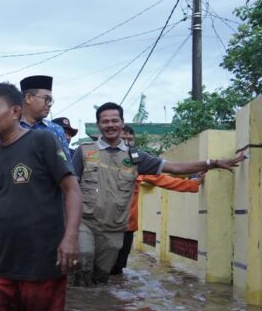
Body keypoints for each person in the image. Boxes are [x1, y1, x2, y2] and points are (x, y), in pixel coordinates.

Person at [72, 102, 244, 286]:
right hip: (86, 223)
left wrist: (213, 163)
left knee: (102, 277)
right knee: (83, 262)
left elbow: (175, 168)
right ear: (98, 125)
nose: (110, 125)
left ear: (122, 123)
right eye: (105, 121)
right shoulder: (84, 151)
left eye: (115, 120)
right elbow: (70, 188)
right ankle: (81, 310)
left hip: (114, 228)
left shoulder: (136, 157)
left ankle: (95, 310)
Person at [0, 82, 81, 311]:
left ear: (15, 111)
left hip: (41, 263)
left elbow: (72, 189)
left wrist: (71, 238)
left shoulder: (43, 141)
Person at [110, 126, 204, 275]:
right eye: (123, 139)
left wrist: (194, 183)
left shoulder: (139, 165)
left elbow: (166, 180)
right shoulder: (103, 161)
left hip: (126, 227)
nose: (127, 142)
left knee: (117, 270)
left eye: (130, 139)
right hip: (102, 227)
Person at [0, 76, 73, 171]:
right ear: (28, 98)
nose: (49, 104)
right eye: (46, 99)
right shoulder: (5, 129)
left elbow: (67, 168)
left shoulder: (55, 130)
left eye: (50, 100)